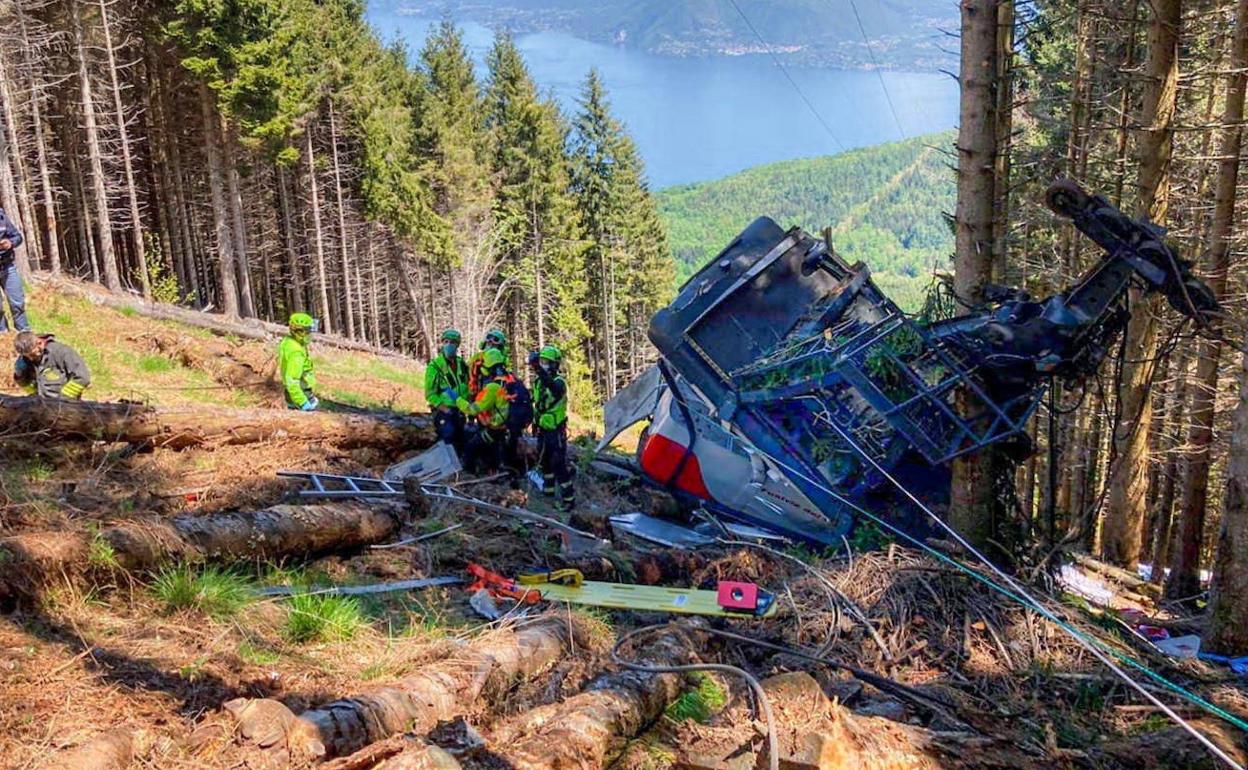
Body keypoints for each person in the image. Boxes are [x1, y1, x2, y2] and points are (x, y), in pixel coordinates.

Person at [456, 347, 530, 484]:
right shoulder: (510, 381)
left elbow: (473, 409)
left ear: (487, 367)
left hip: (496, 430)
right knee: (497, 453)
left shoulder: (492, 388)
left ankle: (471, 478)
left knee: (471, 448)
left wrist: (457, 400)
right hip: (509, 429)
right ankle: (503, 474)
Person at [530, 345, 574, 511]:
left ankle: (569, 499)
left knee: (558, 464)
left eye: (547, 362)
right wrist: (534, 422)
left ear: (555, 364)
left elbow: (554, 390)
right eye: (541, 362)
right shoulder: (537, 382)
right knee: (544, 462)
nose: (543, 365)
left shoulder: (559, 382)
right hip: (543, 428)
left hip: (556, 430)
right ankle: (548, 492)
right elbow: (538, 403)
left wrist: (537, 369)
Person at [424, 328, 470, 453]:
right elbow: (430, 394)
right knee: (448, 437)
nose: (449, 345)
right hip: (444, 411)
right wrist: (444, 408)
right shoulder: (435, 366)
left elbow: (467, 385)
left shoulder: (462, 365)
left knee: (461, 440)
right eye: (446, 341)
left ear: (457, 345)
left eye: (453, 342)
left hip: (461, 410)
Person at [13, 331, 90, 399]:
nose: (30, 359)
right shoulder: (25, 359)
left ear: (39, 343)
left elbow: (82, 378)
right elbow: (27, 386)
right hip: (41, 406)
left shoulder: (62, 352)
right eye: (27, 356)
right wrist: (20, 377)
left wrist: (63, 399)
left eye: (33, 355)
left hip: (65, 406)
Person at [279, 312, 319, 411]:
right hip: (301, 394)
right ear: (299, 332)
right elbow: (292, 380)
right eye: (308, 332)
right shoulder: (296, 352)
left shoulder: (289, 342)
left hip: (296, 393)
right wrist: (303, 402)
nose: (310, 335)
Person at [0, 207, 28, 333]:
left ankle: (24, 334)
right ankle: (3, 335)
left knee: (17, 302)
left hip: (7, 266)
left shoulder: (2, 217)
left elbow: (18, 236)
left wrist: (10, 243)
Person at [468, 329, 507, 399]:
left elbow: (501, 378)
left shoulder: (500, 358)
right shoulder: (477, 357)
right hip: (476, 392)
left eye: (494, 344)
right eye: (489, 343)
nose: (490, 344)